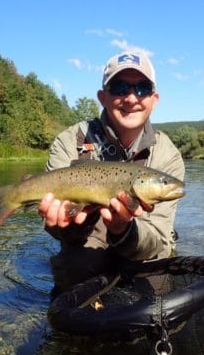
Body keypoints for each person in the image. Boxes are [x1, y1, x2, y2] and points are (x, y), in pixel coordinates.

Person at [38, 51, 185, 297]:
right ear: (102, 97)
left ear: (154, 99)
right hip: (87, 241)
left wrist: (123, 230)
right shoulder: (70, 140)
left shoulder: (167, 155)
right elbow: (57, 224)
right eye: (119, 87)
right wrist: (63, 226)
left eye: (142, 88)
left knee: (158, 284)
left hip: (143, 246)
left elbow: (158, 237)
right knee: (74, 271)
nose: (130, 98)